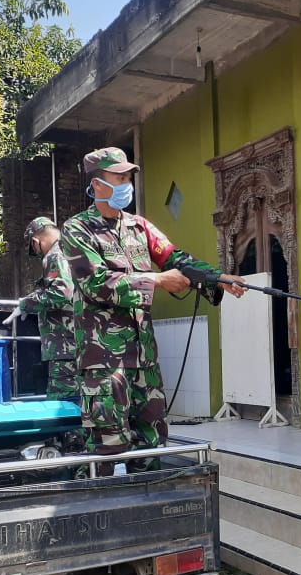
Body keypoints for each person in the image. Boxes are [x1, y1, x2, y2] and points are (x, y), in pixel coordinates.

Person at [61, 147, 245, 470]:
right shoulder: (78, 231)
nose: (126, 183)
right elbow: (97, 283)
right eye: (119, 177)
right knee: (106, 451)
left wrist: (218, 278)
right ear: (98, 184)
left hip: (145, 362)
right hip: (105, 365)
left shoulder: (139, 228)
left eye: (128, 177)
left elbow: (176, 259)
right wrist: (157, 281)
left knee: (151, 449)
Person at [3, 217, 78, 402]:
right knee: (79, 401)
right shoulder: (73, 248)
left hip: (65, 345)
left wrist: (26, 304)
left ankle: (71, 433)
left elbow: (62, 292)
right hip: (79, 341)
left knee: (63, 405)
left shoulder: (55, 254)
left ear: (35, 241)